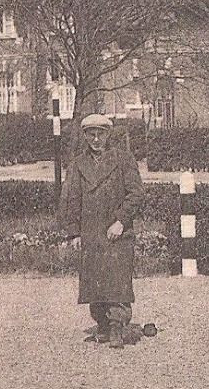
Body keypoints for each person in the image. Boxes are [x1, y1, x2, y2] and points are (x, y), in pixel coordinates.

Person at [58, 113, 145, 348]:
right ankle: (103, 325)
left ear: (109, 135)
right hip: (91, 231)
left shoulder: (123, 158)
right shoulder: (78, 163)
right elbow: (71, 198)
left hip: (116, 230)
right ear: (85, 136)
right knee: (94, 281)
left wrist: (121, 221)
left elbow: (136, 193)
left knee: (117, 281)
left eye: (101, 134)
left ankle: (117, 326)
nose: (96, 139)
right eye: (91, 134)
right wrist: (73, 232)